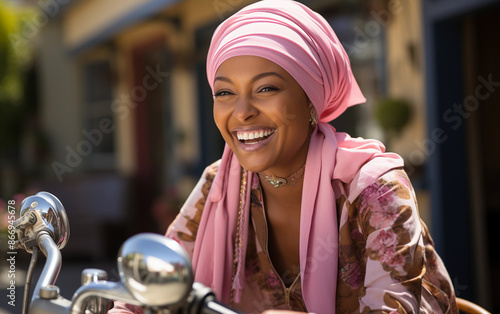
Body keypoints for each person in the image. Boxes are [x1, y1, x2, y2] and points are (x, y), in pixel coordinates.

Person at [111, 0, 458, 313]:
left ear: (312, 100)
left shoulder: (374, 189)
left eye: (266, 88)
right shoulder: (219, 183)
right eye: (225, 92)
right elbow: (156, 281)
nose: (242, 112)